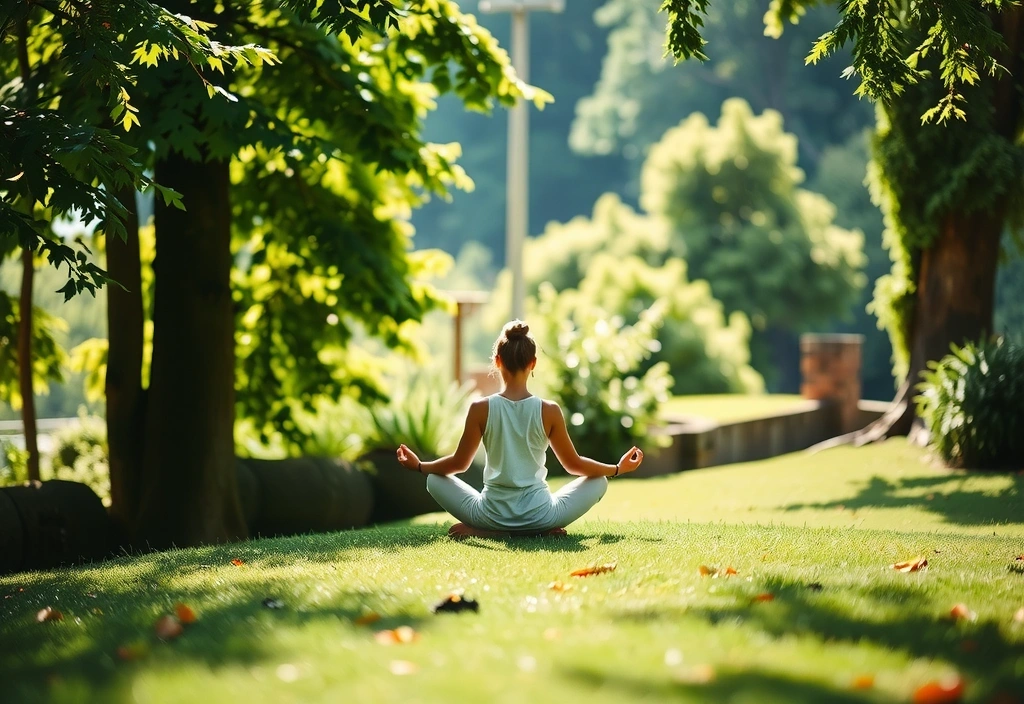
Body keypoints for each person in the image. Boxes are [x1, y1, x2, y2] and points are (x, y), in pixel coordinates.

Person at [396, 319, 644, 540]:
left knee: (433, 480)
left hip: (489, 515)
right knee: (599, 481)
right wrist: (616, 469)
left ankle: (492, 531)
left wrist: (420, 466)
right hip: (542, 516)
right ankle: (534, 531)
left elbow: (459, 464)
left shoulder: (480, 408)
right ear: (533, 363)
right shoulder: (549, 410)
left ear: (497, 361)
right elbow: (574, 465)